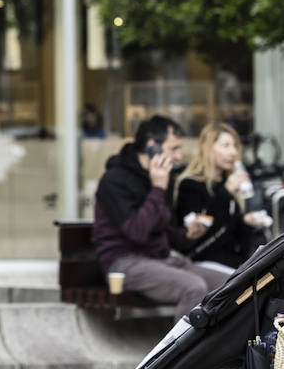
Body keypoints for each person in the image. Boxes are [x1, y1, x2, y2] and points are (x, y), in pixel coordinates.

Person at [92, 114, 228, 321]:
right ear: (151, 146)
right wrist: (157, 188)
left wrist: (187, 234)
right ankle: (178, 353)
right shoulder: (114, 180)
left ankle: (227, 350)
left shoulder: (164, 178)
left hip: (162, 260)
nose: (179, 156)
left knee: (232, 283)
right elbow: (137, 232)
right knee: (193, 287)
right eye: (173, 149)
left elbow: (166, 231)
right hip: (125, 263)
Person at [174, 122, 268, 273]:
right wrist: (226, 192)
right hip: (201, 261)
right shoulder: (191, 185)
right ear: (208, 148)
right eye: (225, 146)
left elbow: (236, 240)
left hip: (232, 262)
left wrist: (246, 222)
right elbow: (196, 237)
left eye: (235, 146)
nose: (233, 152)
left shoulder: (227, 183)